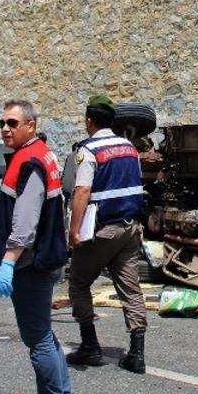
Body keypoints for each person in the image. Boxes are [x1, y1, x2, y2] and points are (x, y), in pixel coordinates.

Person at [0, 100, 76, 394]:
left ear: (31, 125)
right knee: (45, 334)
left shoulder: (29, 162)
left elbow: (25, 223)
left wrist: (8, 261)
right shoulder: (43, 155)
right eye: (2, 123)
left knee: (37, 339)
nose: (5, 129)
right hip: (45, 258)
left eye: (12, 123)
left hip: (30, 264)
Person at [66, 95, 148, 374]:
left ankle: (90, 346)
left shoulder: (88, 150)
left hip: (102, 229)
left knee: (78, 282)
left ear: (89, 120)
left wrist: (73, 231)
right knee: (130, 288)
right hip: (130, 228)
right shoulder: (129, 148)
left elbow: (82, 191)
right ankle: (137, 353)